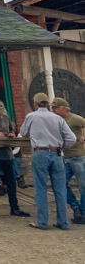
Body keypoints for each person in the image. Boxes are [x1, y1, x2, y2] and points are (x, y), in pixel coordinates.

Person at [20, 93, 77, 230]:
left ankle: (42, 221)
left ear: (35, 103)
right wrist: (61, 147)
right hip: (56, 153)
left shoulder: (31, 116)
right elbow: (72, 138)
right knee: (60, 189)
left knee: (40, 188)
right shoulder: (58, 118)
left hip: (40, 151)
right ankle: (63, 222)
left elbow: (23, 132)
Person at [50, 97, 85, 225]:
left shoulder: (75, 119)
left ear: (63, 108)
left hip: (79, 155)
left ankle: (82, 213)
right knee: (60, 183)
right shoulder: (57, 120)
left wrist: (83, 137)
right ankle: (75, 206)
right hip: (66, 156)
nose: (52, 110)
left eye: (55, 107)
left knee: (83, 186)